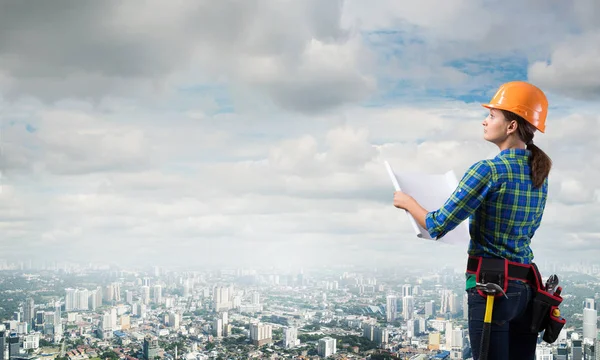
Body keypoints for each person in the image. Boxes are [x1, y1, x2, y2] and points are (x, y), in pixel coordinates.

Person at [392, 81, 553, 360]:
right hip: (526, 291)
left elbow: (436, 225)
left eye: (492, 115)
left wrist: (406, 201)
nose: (485, 121)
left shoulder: (488, 170)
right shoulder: (538, 174)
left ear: (511, 125)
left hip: (493, 291)